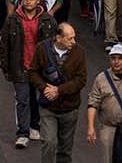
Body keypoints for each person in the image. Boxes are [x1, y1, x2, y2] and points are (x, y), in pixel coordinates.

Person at [0, 0, 56, 148]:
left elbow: (55, 44)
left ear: (37, 0)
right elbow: (4, 44)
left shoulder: (48, 20)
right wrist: (5, 66)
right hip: (20, 66)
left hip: (41, 69)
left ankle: (35, 126)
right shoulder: (12, 19)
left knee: (41, 99)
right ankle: (22, 133)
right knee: (23, 100)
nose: (28, 1)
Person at [29, 22, 87, 163]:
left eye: (74, 38)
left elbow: (81, 80)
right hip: (48, 107)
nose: (73, 42)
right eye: (69, 38)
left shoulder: (79, 52)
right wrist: (44, 88)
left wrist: (59, 90)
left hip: (69, 108)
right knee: (49, 142)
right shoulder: (42, 49)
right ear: (58, 38)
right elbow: (32, 72)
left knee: (65, 150)